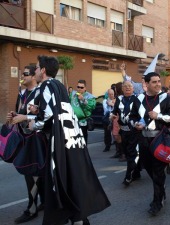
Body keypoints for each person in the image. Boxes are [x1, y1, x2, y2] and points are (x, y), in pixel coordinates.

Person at [12, 55, 110, 225]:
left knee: (60, 183)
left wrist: (25, 118)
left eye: (36, 68)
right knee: (71, 180)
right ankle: (79, 218)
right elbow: (55, 111)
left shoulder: (47, 85)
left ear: (43, 70)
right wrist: (35, 111)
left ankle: (74, 217)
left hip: (59, 143)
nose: (35, 71)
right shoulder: (60, 86)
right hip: (71, 140)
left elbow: (48, 116)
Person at [129, 72, 170, 216]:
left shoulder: (167, 98)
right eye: (154, 82)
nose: (158, 84)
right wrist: (135, 123)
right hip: (143, 140)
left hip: (160, 139)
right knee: (149, 169)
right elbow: (132, 117)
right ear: (147, 84)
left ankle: (157, 203)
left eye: (158, 81)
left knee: (158, 171)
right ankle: (161, 190)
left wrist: (159, 116)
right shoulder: (138, 99)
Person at [6, 65, 45, 224]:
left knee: (33, 173)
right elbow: (22, 112)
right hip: (24, 139)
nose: (23, 76)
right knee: (34, 173)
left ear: (33, 77)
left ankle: (32, 209)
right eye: (22, 74)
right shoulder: (22, 94)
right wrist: (14, 115)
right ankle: (45, 202)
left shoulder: (40, 93)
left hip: (37, 139)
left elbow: (45, 117)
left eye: (26, 74)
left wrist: (25, 118)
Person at [111, 80, 141, 184]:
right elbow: (114, 111)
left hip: (134, 131)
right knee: (128, 153)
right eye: (125, 86)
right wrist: (112, 116)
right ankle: (136, 173)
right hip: (123, 131)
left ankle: (128, 177)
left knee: (131, 153)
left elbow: (141, 114)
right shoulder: (119, 99)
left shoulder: (137, 99)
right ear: (122, 89)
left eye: (129, 86)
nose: (127, 88)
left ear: (133, 88)